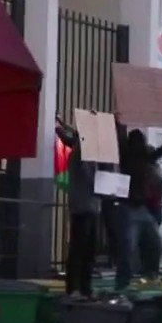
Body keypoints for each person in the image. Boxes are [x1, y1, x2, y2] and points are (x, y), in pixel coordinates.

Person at [114, 125, 162, 290]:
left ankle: (148, 275)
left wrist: (119, 122)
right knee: (133, 246)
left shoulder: (135, 156)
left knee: (152, 243)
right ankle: (125, 282)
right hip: (130, 207)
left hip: (140, 208)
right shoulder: (132, 156)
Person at [55, 117, 100, 297]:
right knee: (81, 249)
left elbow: (72, 135)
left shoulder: (83, 150)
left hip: (89, 206)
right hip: (83, 207)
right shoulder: (82, 153)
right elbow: (91, 178)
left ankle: (82, 287)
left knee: (86, 250)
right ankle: (75, 287)